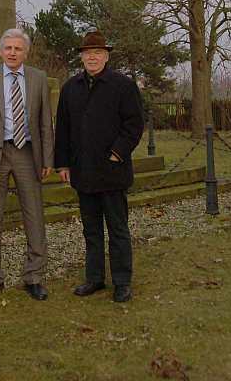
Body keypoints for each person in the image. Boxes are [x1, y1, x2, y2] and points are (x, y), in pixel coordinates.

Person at [54, 30, 144, 303]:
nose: (92, 57)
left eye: (98, 53)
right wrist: (62, 164)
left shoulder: (123, 86)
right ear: (81, 57)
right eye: (87, 53)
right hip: (83, 172)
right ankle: (94, 278)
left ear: (106, 56)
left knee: (117, 230)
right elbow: (63, 129)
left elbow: (134, 125)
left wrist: (117, 153)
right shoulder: (70, 88)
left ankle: (122, 282)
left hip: (113, 172)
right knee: (91, 230)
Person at [0, 27, 54, 302]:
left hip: (28, 154)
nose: (13, 53)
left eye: (18, 49)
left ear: (25, 53)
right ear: (1, 51)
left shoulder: (39, 79)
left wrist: (48, 159)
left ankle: (34, 276)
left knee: (34, 217)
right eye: (8, 48)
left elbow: (45, 124)